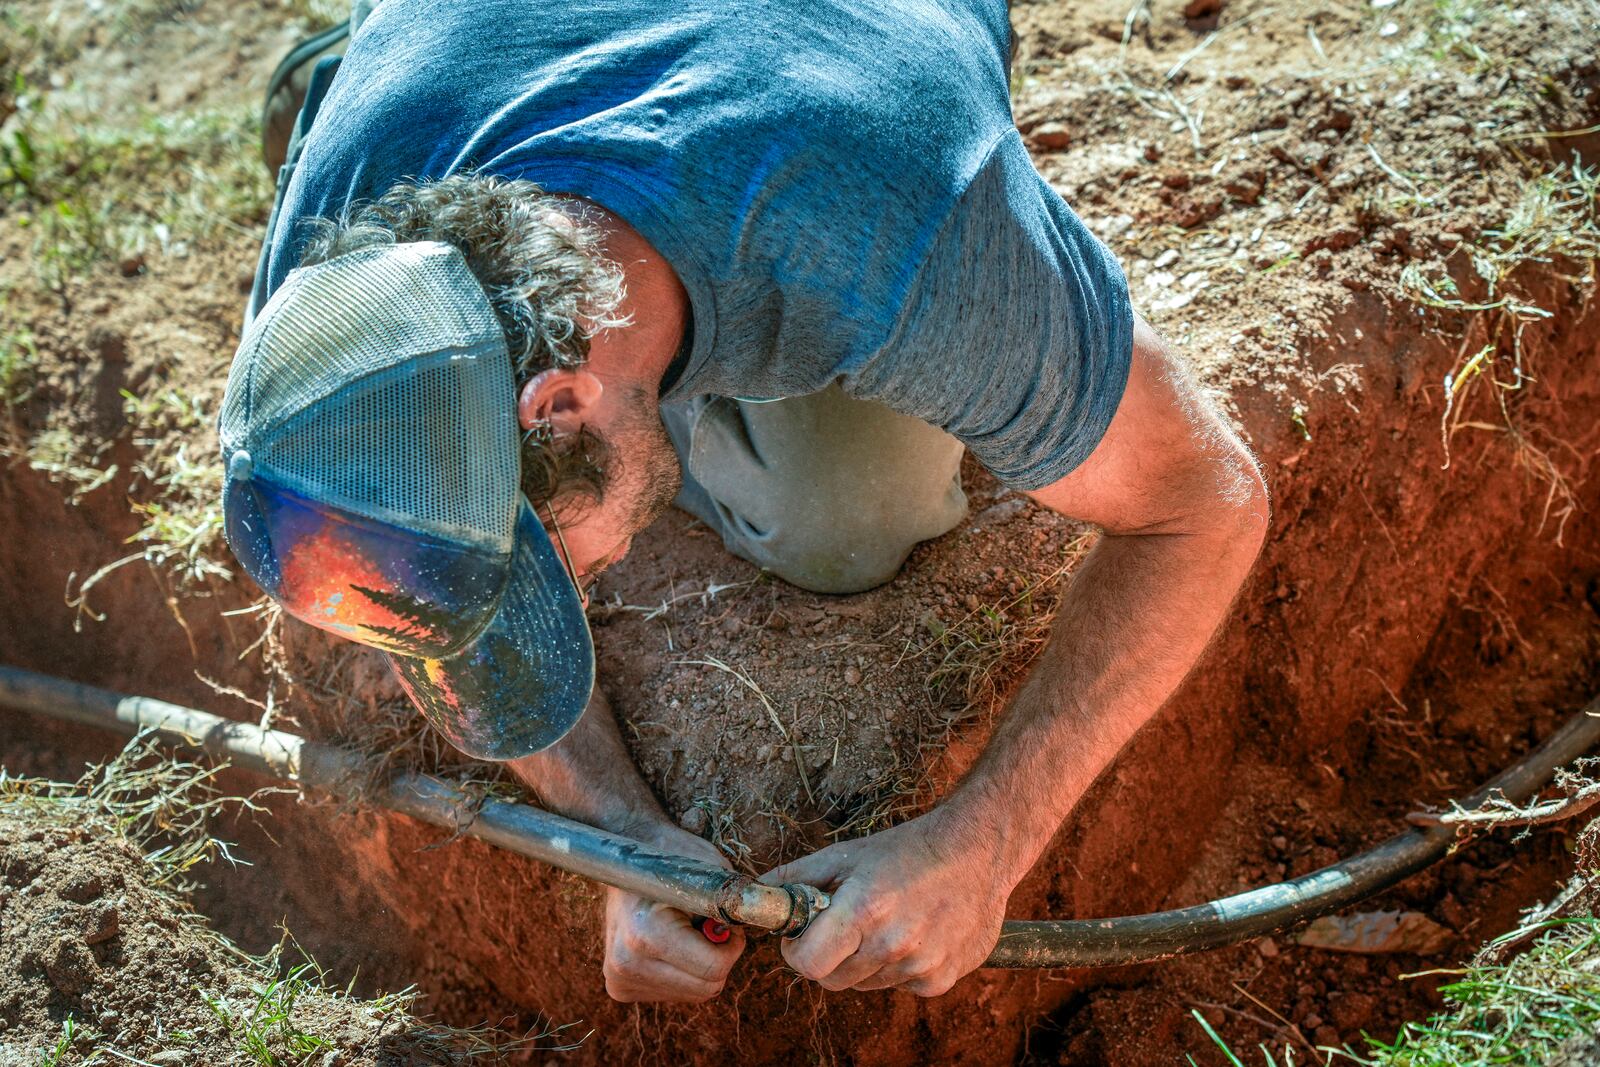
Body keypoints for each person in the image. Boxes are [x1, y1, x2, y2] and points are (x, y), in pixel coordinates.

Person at [221, 0, 1269, 1005]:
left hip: (824, 73)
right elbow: (405, 572)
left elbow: (1205, 501)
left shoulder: (893, 230)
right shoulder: (342, 276)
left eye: (554, 571)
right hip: (466, 53)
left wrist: (984, 837)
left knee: (846, 518)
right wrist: (618, 833)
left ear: (557, 408)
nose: (584, 587)